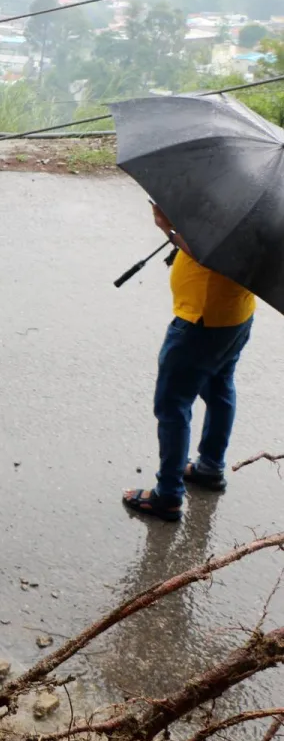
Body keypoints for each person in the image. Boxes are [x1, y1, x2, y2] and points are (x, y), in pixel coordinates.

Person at [123, 204, 256, 523]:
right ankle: (209, 467)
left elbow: (209, 252)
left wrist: (167, 227)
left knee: (172, 405)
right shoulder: (260, 205)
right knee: (219, 386)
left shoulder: (239, 198)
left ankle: (168, 496)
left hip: (201, 320)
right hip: (236, 313)